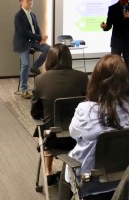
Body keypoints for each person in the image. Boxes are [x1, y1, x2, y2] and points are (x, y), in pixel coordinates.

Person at [53, 55, 129, 200]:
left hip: (91, 182)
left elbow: (73, 134)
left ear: (95, 80)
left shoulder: (85, 109)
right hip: (128, 178)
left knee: (69, 160)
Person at [31, 43, 88, 184]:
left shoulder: (40, 79)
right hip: (79, 137)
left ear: (49, 59)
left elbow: (35, 112)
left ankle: (48, 172)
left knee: (45, 126)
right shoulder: (82, 77)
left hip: (52, 138)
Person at [13, 0, 50, 99]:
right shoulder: (19, 16)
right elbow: (24, 32)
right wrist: (40, 37)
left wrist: (41, 39)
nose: (30, 2)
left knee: (49, 49)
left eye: (31, 0)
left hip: (33, 41)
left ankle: (35, 66)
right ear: (21, 2)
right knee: (25, 64)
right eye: (28, 0)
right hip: (23, 43)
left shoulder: (32, 14)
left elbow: (37, 28)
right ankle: (24, 90)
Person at [100, 0, 129, 77]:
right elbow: (109, 25)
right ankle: (114, 83)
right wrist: (104, 27)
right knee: (114, 66)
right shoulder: (112, 8)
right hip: (116, 41)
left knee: (128, 66)